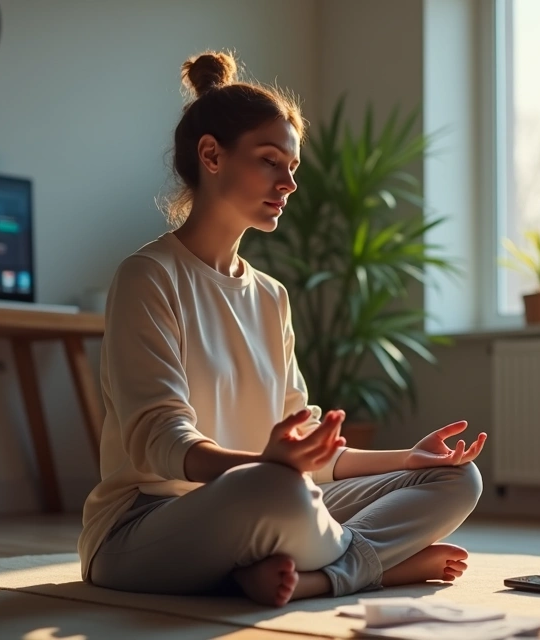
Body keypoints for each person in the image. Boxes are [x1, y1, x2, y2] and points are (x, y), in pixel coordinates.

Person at [77, 50, 486, 608]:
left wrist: (408, 460)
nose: (288, 183)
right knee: (280, 491)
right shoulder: (148, 277)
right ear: (211, 155)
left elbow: (310, 456)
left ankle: (313, 571)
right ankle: (376, 567)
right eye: (271, 161)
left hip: (273, 496)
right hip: (146, 524)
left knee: (458, 481)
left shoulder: (271, 296)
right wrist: (270, 468)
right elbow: (159, 446)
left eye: (292, 167)